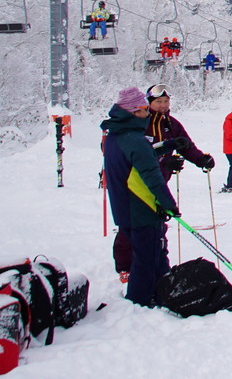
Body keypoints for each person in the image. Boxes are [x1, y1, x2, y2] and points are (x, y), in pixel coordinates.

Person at [101, 86, 180, 306]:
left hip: (124, 208)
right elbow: (151, 175)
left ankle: (163, 288)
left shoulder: (117, 136)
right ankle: (140, 300)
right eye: (145, 110)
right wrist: (169, 205)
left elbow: (136, 159)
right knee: (146, 258)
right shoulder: (134, 139)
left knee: (154, 254)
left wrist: (166, 146)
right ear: (133, 112)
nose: (148, 114)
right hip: (142, 207)